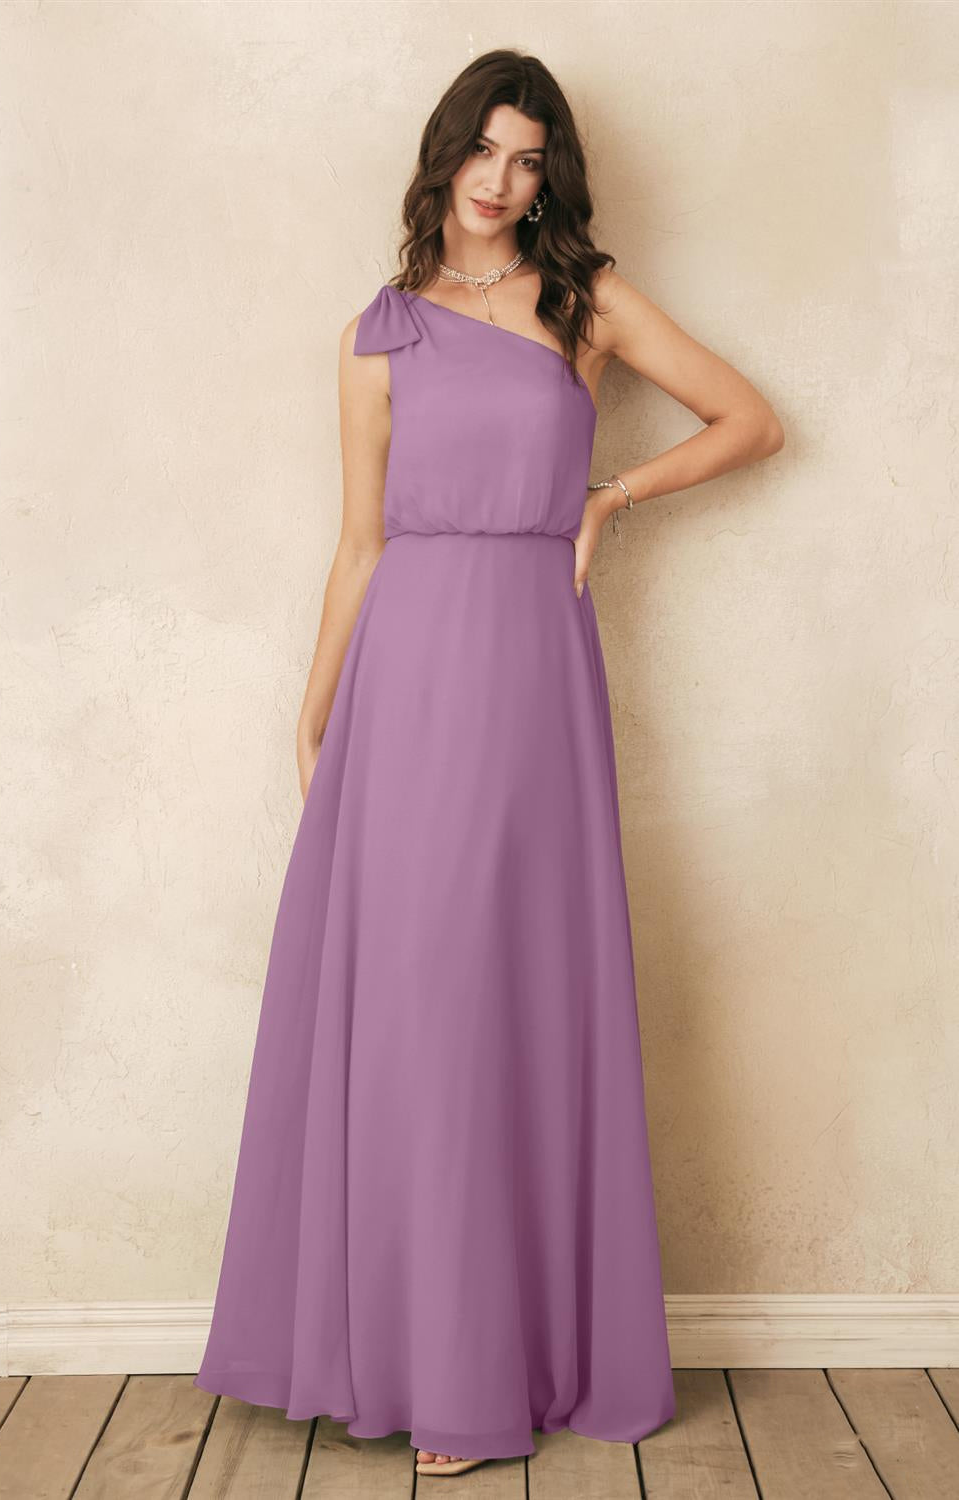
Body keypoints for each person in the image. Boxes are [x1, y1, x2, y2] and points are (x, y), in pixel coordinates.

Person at [194, 48, 784, 1481]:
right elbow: (360, 543)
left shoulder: (583, 301)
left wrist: (611, 496)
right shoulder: (377, 331)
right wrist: (315, 706)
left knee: (502, 995)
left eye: (527, 158)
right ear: (443, 151)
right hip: (407, 677)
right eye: (482, 148)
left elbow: (750, 420)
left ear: (547, 177)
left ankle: (494, 1368)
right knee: (407, 1004)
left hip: (531, 674)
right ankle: (399, 1356)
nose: (499, 178)